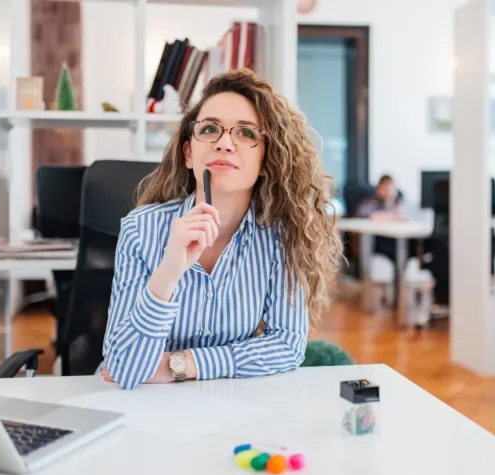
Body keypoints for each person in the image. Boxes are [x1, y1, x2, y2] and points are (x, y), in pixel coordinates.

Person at [99, 69, 343, 390]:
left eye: (245, 133)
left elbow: (286, 346)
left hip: (227, 403)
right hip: (144, 406)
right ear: (189, 154)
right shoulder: (141, 229)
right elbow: (124, 369)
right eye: (210, 129)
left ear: (266, 158)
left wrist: (182, 364)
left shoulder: (283, 236)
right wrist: (168, 273)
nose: (225, 143)